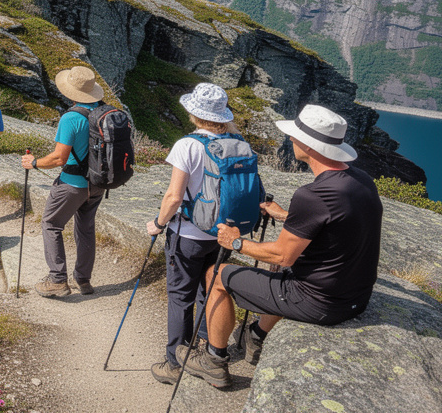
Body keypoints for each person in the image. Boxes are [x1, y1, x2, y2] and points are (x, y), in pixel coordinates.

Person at [178, 105, 383, 390]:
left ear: (309, 147)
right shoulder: (361, 181)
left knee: (216, 275)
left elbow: (282, 254)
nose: (291, 140)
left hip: (319, 302)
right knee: (280, 271)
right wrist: (289, 217)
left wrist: (235, 242)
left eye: (296, 137)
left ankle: (214, 361)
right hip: (356, 297)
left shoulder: (313, 194)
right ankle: (257, 336)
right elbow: (338, 221)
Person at [144, 83, 247, 383]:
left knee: (180, 297)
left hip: (187, 235)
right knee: (210, 290)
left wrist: (158, 224)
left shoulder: (187, 145)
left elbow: (174, 197)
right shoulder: (238, 142)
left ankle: (174, 363)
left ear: (194, 113)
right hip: (222, 235)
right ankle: (204, 352)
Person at [22, 67, 108, 298]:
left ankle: (57, 280)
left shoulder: (71, 117)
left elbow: (60, 157)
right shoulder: (104, 112)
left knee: (51, 224)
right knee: (86, 229)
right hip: (98, 184)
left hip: (72, 184)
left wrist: (35, 162)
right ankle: (83, 280)